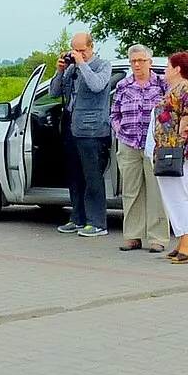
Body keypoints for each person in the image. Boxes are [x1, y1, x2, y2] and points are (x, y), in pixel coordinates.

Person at [48, 31, 113, 236]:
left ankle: (97, 223)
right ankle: (77, 218)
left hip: (93, 130)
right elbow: (54, 93)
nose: (78, 54)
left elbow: (96, 85)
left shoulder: (103, 65)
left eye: (82, 50)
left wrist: (82, 64)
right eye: (74, 50)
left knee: (92, 176)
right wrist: (60, 71)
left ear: (91, 48)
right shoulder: (72, 69)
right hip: (72, 127)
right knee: (74, 176)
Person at [110, 44, 170, 253]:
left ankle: (157, 238)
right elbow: (114, 113)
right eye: (133, 61)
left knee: (156, 193)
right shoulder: (123, 85)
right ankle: (132, 236)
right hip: (128, 144)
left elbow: (171, 112)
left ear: (150, 62)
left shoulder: (162, 85)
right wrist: (120, 131)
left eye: (141, 61)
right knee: (131, 192)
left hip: (154, 146)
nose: (137, 64)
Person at [152, 51, 188, 264]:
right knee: (172, 195)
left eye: (167, 65)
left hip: (183, 151)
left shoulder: (187, 87)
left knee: (181, 194)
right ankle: (183, 239)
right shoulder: (174, 88)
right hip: (170, 150)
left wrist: (179, 131)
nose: (165, 69)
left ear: (177, 69)